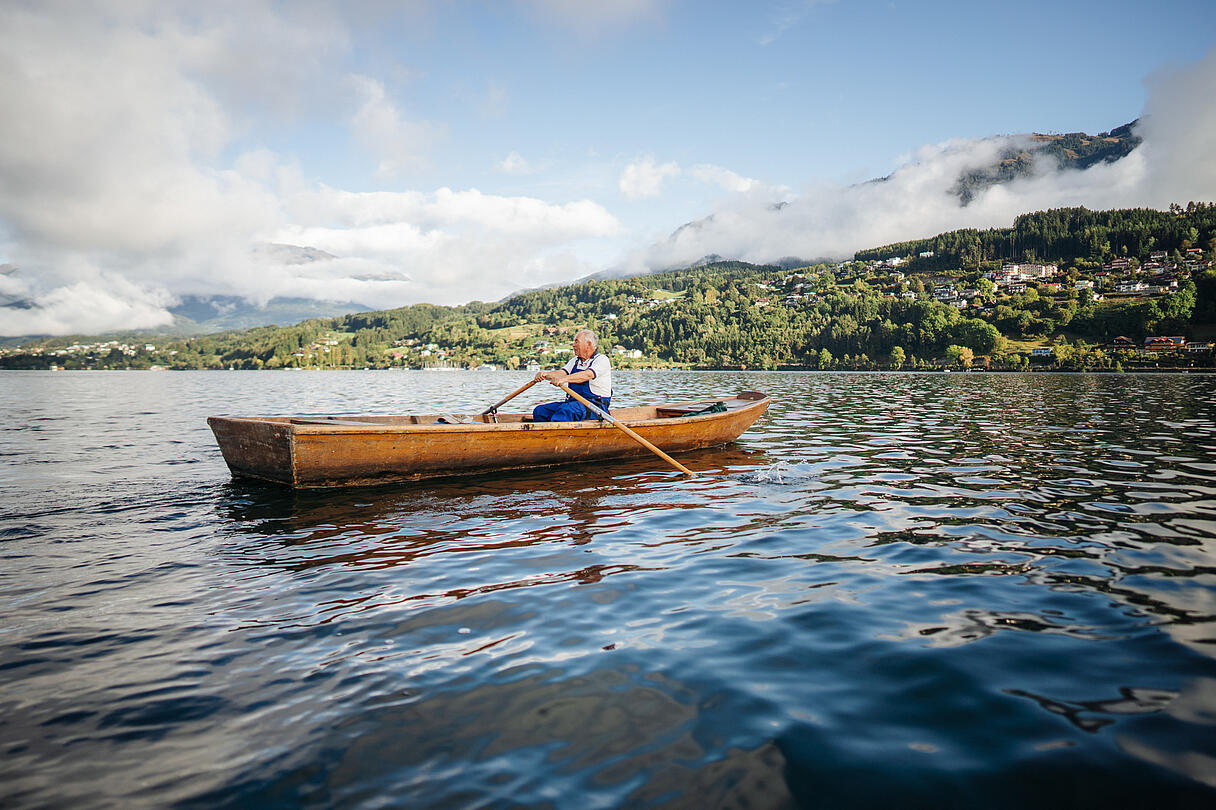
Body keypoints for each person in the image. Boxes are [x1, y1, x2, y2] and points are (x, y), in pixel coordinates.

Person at [532, 329, 612, 422]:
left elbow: (587, 375)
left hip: (595, 407)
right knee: (540, 411)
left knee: (566, 411)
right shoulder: (575, 361)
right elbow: (561, 373)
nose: (573, 345)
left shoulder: (602, 360)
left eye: (577, 342)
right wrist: (544, 375)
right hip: (574, 404)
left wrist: (564, 379)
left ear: (588, 344)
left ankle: (557, 435)